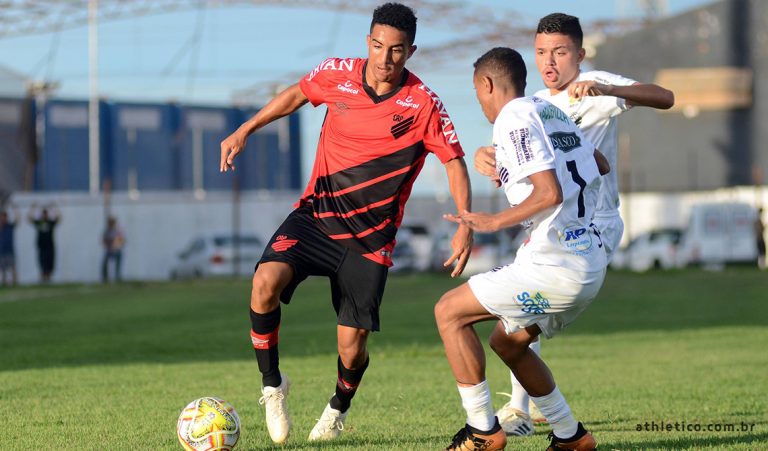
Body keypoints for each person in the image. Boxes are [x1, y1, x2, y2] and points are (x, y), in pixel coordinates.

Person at [218, 2, 472, 444]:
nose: (384, 58)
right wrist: (246, 129)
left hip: (370, 241)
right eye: (377, 45)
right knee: (263, 284)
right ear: (368, 42)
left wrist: (465, 222)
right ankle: (273, 386)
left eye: (395, 50)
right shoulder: (336, 73)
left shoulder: (423, 103)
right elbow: (296, 94)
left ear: (410, 51)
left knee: (351, 349)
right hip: (316, 217)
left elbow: (453, 161)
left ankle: (337, 407)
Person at [475, 13, 674, 436]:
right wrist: (488, 158)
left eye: (561, 52)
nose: (550, 62)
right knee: (519, 316)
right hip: (555, 221)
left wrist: (608, 89)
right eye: (542, 52)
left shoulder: (594, 86)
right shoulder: (536, 106)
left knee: (522, 307)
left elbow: (665, 96)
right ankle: (534, 410)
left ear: (580, 55)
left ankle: (522, 411)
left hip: (593, 223)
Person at [436, 47, 609, 451]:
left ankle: (482, 432)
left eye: (477, 94)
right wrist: (512, 171)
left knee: (448, 313)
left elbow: (547, 191)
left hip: (554, 264)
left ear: (487, 85)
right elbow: (597, 163)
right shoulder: (550, 112)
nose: (479, 103)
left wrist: (492, 221)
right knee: (507, 342)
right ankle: (571, 436)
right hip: (589, 263)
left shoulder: (512, 116)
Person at [29, 204, 61, 283]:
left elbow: (59, 218)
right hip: (41, 247)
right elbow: (29, 219)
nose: (44, 215)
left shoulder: (50, 222)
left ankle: (48, 279)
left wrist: (54, 208)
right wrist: (33, 208)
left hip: (50, 246)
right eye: (43, 214)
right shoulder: (39, 223)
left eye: (45, 214)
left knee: (50, 264)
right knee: (42, 264)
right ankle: (43, 279)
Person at [102, 216, 125, 282]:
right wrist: (108, 246)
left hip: (117, 250)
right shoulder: (107, 231)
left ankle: (118, 277)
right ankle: (105, 278)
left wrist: (117, 246)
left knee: (118, 260)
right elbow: (104, 240)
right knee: (105, 263)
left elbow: (122, 240)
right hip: (109, 250)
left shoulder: (117, 231)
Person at [0, 206, 19, 286]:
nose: (2, 219)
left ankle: (14, 282)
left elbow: (17, 220)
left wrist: (15, 209)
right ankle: (4, 282)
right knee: (2, 269)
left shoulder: (9, 226)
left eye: (4, 217)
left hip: (9, 250)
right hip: (1, 251)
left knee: (12, 267)